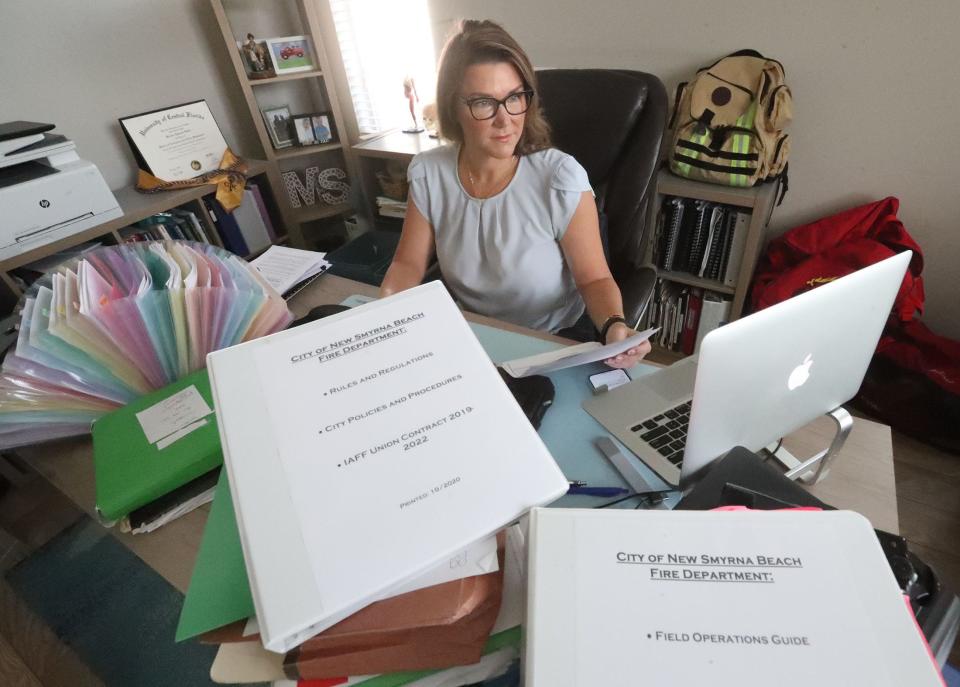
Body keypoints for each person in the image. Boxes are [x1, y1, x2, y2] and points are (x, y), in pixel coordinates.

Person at [380, 20, 649, 368]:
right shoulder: (429, 173)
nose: (505, 120)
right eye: (483, 103)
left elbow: (594, 278)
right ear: (453, 107)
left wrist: (615, 325)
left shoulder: (560, 178)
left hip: (553, 341)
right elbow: (407, 263)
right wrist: (383, 314)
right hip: (472, 334)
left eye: (514, 98)